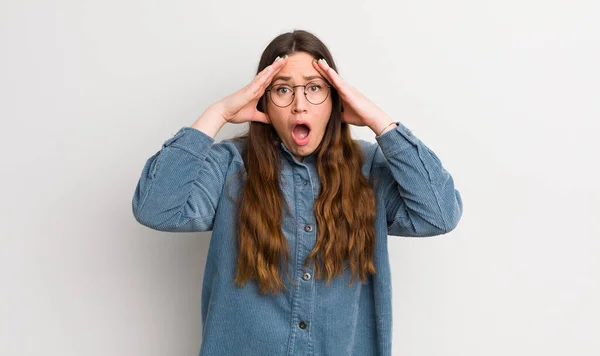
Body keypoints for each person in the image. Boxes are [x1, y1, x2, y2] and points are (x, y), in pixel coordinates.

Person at [132, 29, 463, 356]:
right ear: (262, 100)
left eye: (314, 88)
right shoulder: (229, 166)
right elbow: (155, 207)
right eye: (282, 89)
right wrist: (216, 114)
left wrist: (381, 123)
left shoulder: (369, 167)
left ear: (336, 98)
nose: (299, 105)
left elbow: (439, 214)